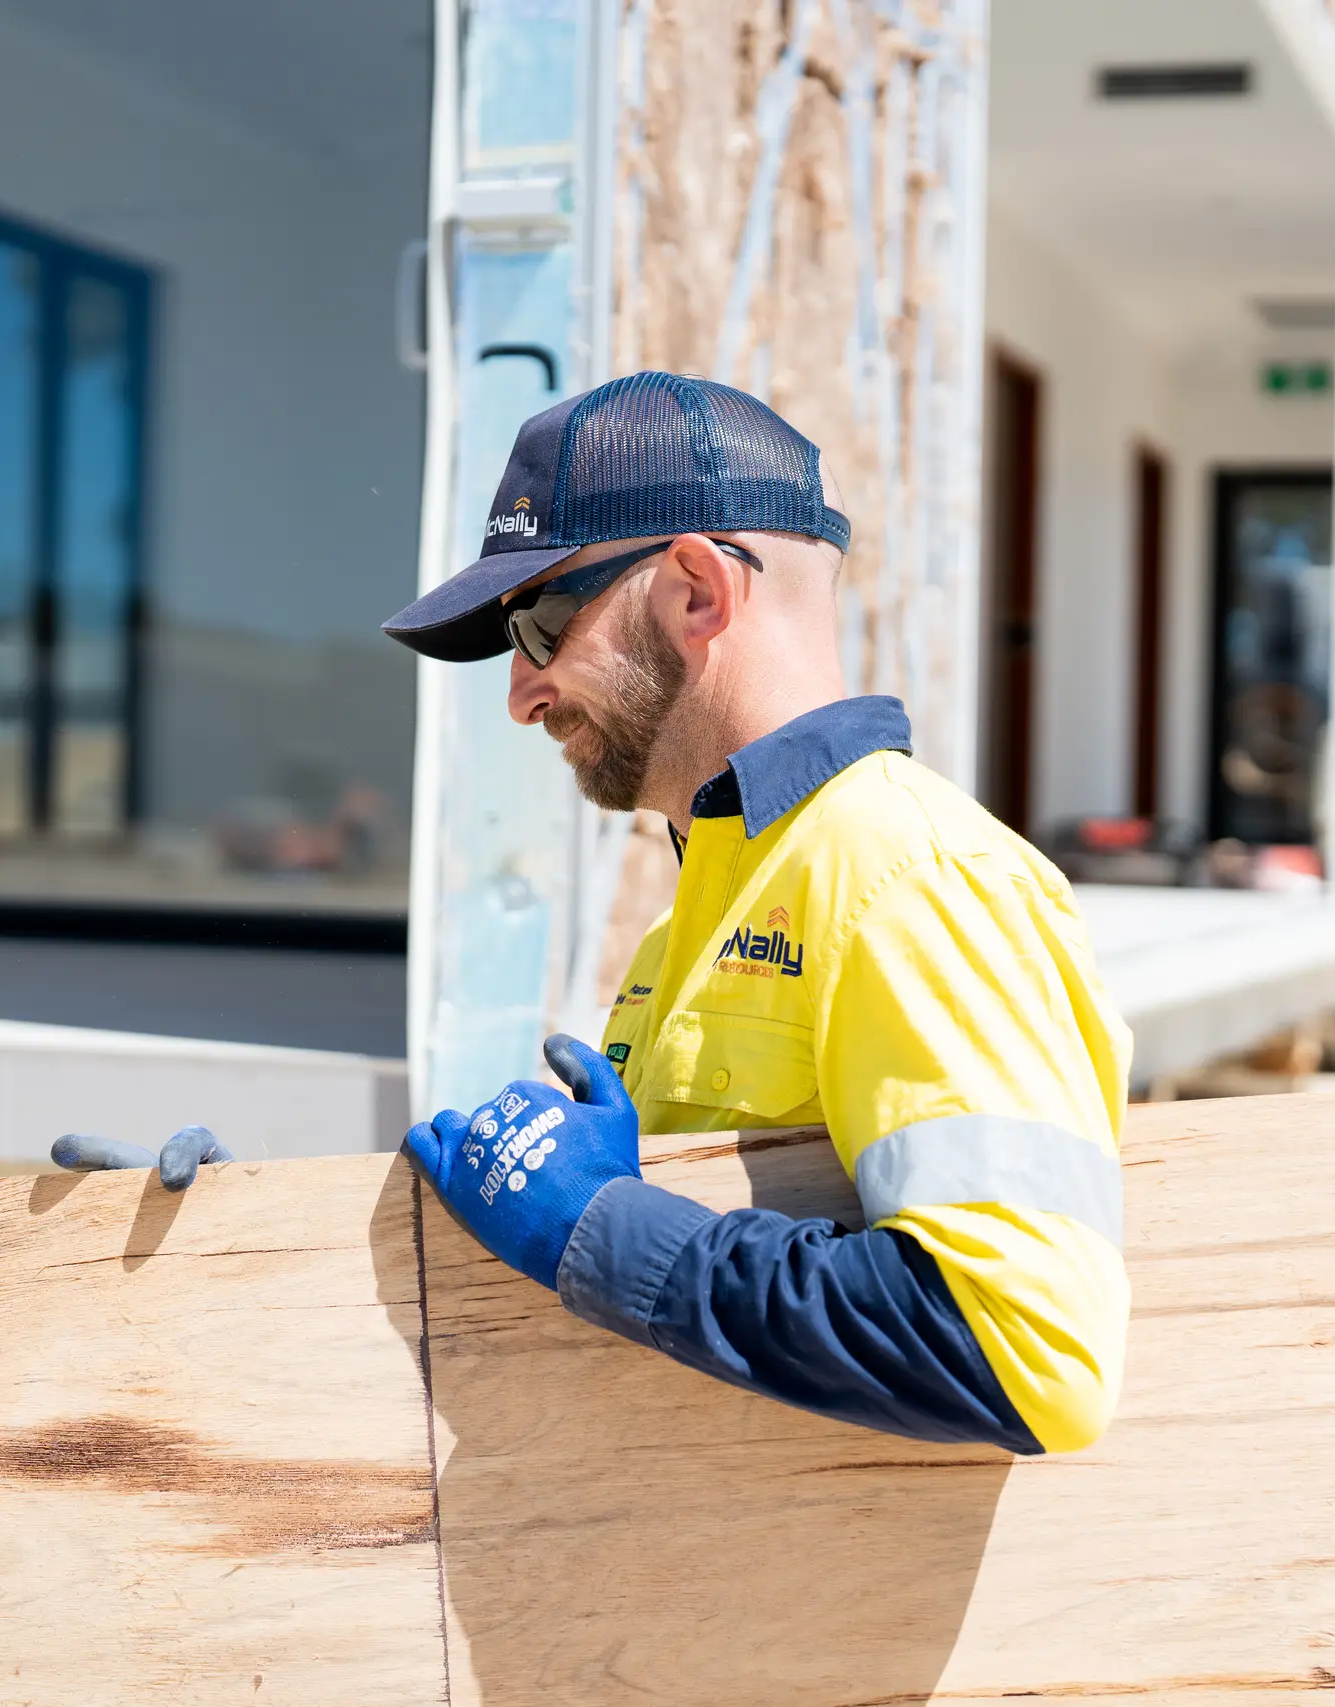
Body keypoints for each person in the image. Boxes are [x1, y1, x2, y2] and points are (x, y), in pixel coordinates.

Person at [59, 373, 1130, 1455]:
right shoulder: (705, 916)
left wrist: (598, 1227)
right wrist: (248, 1248)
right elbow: (643, 1333)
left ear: (698, 591)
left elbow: (1020, 1350)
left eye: (539, 625)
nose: (520, 693)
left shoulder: (914, 875)